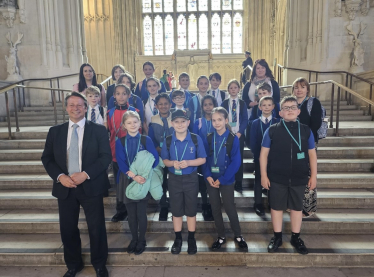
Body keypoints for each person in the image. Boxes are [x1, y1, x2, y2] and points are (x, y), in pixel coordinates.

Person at [41, 92, 111, 277]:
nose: (76, 108)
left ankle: (99, 264)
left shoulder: (98, 130)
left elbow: (105, 157)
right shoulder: (55, 131)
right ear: (66, 108)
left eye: (80, 105)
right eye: (71, 105)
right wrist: (60, 176)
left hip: (91, 185)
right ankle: (73, 265)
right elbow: (47, 158)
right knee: (68, 228)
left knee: (96, 227)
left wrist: (86, 174)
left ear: (86, 108)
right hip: (65, 187)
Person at [260, 96, 317, 255]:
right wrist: (264, 176)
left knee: (296, 208)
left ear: (298, 111)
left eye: (293, 107)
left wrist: (313, 176)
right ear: (280, 112)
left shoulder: (306, 130)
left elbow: (312, 155)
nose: (290, 110)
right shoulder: (272, 130)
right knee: (276, 207)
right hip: (277, 177)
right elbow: (263, 155)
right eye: (286, 108)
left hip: (299, 177)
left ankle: (295, 237)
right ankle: (277, 237)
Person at [161, 110, 207, 255]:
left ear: (188, 122)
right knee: (176, 210)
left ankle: (191, 238)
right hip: (174, 179)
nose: (180, 124)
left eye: (183, 121)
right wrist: (172, 163)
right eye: (176, 122)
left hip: (191, 178)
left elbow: (203, 159)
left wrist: (188, 162)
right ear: (171, 123)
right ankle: (178, 238)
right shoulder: (168, 140)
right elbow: (165, 161)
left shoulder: (195, 139)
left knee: (191, 209)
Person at [203, 107, 248, 251]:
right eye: (214, 120)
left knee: (229, 208)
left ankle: (238, 235)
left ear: (226, 120)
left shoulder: (233, 138)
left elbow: (236, 162)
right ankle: (221, 236)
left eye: (220, 120)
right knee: (215, 208)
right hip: (211, 180)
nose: (216, 123)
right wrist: (208, 175)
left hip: (226, 180)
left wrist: (222, 179)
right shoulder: (209, 138)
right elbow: (205, 159)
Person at [115, 111, 159, 255]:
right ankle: (134, 239)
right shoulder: (120, 141)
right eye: (129, 123)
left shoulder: (146, 140)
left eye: (135, 122)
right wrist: (133, 176)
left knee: (141, 212)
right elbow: (121, 162)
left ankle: (141, 240)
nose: (132, 125)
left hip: (143, 179)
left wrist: (143, 175)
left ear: (140, 123)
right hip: (128, 178)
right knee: (131, 213)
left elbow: (155, 159)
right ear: (124, 125)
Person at [107, 84, 140, 222]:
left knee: (133, 180)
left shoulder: (135, 110)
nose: (121, 96)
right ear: (114, 95)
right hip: (116, 151)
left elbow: (140, 131)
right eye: (118, 93)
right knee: (119, 181)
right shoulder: (110, 112)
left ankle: (134, 210)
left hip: (132, 151)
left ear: (129, 95)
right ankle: (121, 210)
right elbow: (110, 131)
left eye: (124, 93)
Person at [250, 96, 280, 216]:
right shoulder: (255, 123)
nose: (266, 107)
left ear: (273, 107)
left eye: (269, 105)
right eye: (264, 105)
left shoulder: (277, 122)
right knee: (258, 179)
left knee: (272, 180)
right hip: (259, 157)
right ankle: (258, 204)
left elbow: (279, 141)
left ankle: (271, 202)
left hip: (274, 158)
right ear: (260, 107)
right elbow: (252, 141)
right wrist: (257, 155)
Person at [148, 93, 174, 221]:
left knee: (173, 181)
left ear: (170, 105)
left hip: (174, 155)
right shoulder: (153, 120)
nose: (163, 106)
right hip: (159, 155)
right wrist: (157, 148)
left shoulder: (176, 118)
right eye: (160, 104)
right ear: (157, 106)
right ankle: (164, 205)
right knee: (161, 180)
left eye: (166, 104)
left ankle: (175, 205)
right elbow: (151, 138)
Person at [193, 95, 218, 221]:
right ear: (202, 107)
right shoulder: (198, 122)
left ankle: (214, 206)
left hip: (216, 156)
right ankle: (204, 205)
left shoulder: (218, 120)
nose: (208, 107)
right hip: (202, 157)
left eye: (210, 104)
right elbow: (195, 140)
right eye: (205, 104)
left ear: (215, 105)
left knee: (214, 181)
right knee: (203, 182)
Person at [221, 79, 248, 193]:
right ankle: (228, 179)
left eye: (235, 87)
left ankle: (239, 182)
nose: (233, 90)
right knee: (226, 157)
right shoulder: (224, 103)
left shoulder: (242, 103)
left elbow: (245, 119)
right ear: (228, 90)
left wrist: (240, 132)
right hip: (227, 134)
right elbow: (222, 118)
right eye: (231, 88)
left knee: (238, 158)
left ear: (239, 89)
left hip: (238, 135)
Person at [292, 77, 323, 145]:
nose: (299, 90)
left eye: (302, 87)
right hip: (292, 138)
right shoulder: (290, 102)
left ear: (307, 90)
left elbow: (316, 123)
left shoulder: (314, 102)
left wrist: (305, 136)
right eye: (296, 87)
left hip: (308, 138)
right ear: (293, 90)